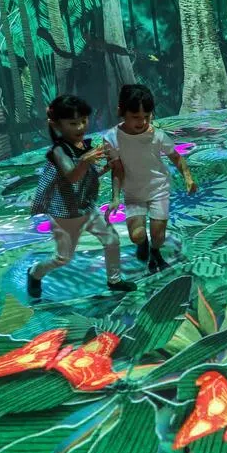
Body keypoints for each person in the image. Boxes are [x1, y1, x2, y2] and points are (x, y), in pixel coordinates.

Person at [28, 95, 136, 299]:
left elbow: (86, 176)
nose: (80, 127)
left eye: (83, 121)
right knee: (63, 258)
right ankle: (35, 273)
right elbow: (72, 177)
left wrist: (105, 167)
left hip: (87, 209)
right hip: (65, 216)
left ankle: (114, 281)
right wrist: (86, 161)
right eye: (73, 123)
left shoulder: (83, 146)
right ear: (57, 125)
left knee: (112, 240)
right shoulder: (59, 151)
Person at [103, 84, 198, 273]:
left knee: (159, 236)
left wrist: (188, 178)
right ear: (121, 112)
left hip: (158, 189)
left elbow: (176, 157)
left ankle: (155, 252)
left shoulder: (157, 135)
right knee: (136, 235)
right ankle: (143, 243)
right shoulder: (111, 138)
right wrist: (115, 197)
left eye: (147, 116)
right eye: (136, 117)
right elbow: (117, 170)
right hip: (133, 193)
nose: (142, 122)